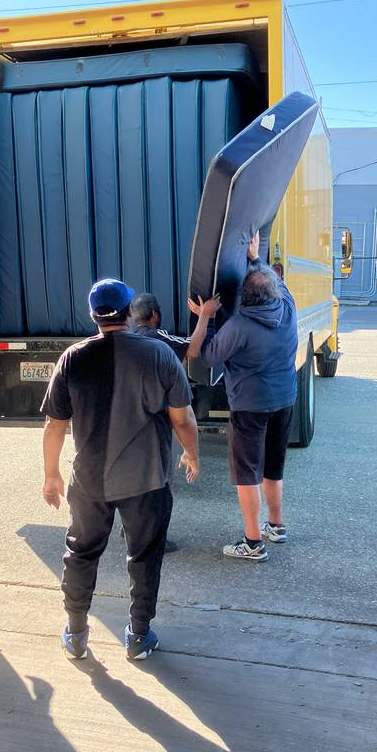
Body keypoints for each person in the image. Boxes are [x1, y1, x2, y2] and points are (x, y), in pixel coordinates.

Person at [41, 278, 200, 662]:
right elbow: (182, 418)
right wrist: (191, 454)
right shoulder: (159, 355)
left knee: (80, 553)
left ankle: (76, 633)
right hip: (146, 478)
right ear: (130, 312)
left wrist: (51, 474)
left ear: (93, 315)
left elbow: (55, 425)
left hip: (90, 480)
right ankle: (139, 636)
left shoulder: (73, 357)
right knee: (144, 556)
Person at [187, 233, 297, 561]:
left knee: (247, 472)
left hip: (249, 406)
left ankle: (252, 543)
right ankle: (275, 526)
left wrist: (205, 315)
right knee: (273, 468)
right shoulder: (287, 307)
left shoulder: (238, 326)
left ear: (243, 299)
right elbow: (276, 282)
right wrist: (256, 259)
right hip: (285, 399)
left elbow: (207, 356)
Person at [129, 292, 190, 554]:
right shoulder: (159, 340)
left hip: (130, 422)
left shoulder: (127, 341)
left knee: (135, 478)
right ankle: (155, 539)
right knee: (161, 483)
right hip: (156, 425)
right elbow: (193, 346)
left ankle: (129, 528)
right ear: (154, 315)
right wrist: (206, 317)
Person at [130, 292, 191, 361]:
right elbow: (192, 349)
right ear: (154, 313)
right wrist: (204, 314)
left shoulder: (131, 340)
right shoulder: (156, 336)